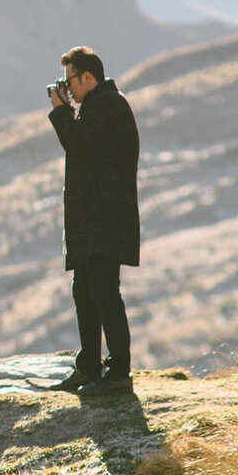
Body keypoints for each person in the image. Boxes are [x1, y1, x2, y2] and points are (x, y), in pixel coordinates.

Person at [46, 46, 140, 395]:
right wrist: (70, 111)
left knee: (103, 292)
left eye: (70, 81)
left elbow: (75, 142)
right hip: (94, 218)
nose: (67, 89)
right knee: (85, 292)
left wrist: (60, 113)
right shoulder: (97, 107)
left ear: (89, 77)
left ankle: (118, 372)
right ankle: (88, 367)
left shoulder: (108, 105)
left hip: (105, 218)